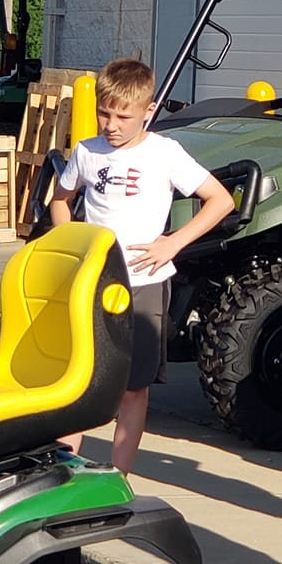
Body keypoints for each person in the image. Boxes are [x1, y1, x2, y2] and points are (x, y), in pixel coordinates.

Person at [51, 57, 234, 472]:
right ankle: (62, 468)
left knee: (134, 389)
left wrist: (173, 242)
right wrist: (72, 243)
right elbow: (60, 201)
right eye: (104, 113)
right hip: (94, 282)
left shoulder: (164, 153)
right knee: (81, 377)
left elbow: (220, 200)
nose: (110, 124)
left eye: (122, 116)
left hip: (144, 283)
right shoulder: (86, 152)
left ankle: (120, 474)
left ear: (148, 111)